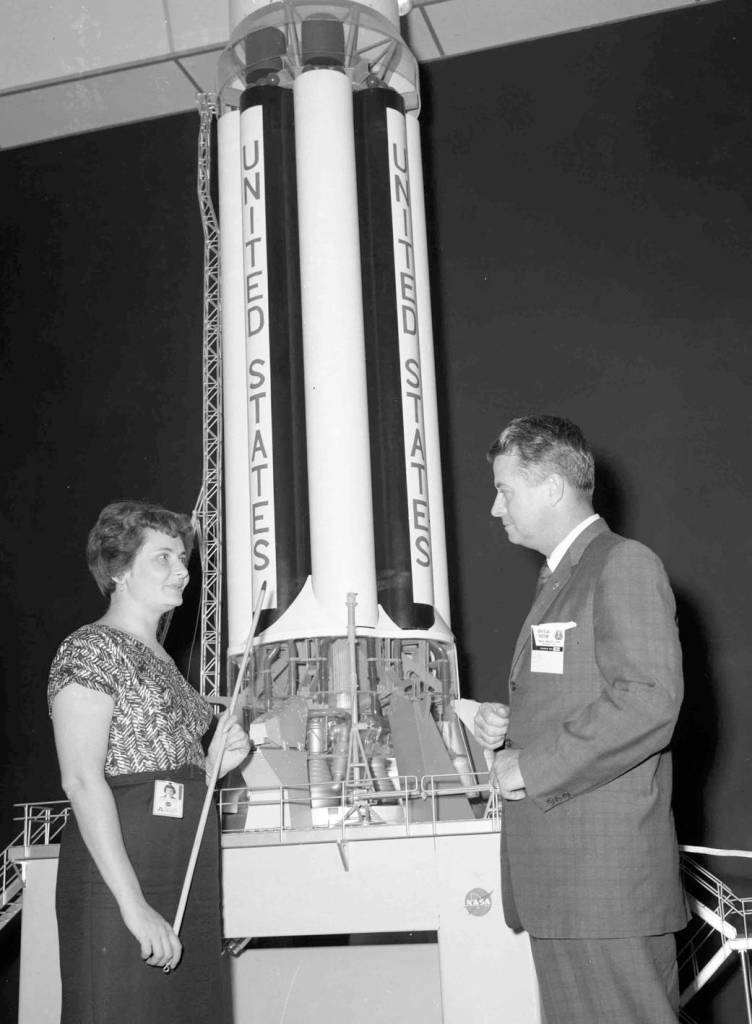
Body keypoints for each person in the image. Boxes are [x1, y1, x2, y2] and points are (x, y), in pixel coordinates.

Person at [474, 415, 688, 1024]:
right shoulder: (561, 577)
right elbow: (585, 692)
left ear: (551, 488)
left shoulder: (622, 564)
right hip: (571, 886)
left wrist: (529, 766)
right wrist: (510, 725)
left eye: (504, 489)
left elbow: (648, 700)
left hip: (603, 888)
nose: (494, 508)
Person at [48, 501, 250, 1024]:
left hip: (186, 869)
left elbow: (173, 769)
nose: (182, 570)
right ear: (118, 570)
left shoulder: (167, 663)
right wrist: (134, 907)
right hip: (124, 879)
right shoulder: (90, 649)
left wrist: (215, 765)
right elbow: (83, 779)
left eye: (183, 558)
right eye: (163, 558)